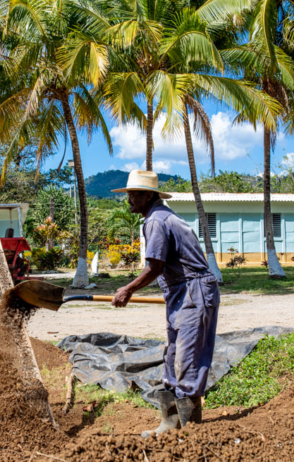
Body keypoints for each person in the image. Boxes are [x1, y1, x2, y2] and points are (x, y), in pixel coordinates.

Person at [110, 170, 220, 437]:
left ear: (149, 196)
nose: (130, 200)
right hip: (181, 291)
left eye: (135, 194)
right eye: (129, 194)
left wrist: (128, 289)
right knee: (172, 355)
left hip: (193, 290)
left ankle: (191, 431)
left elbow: (155, 266)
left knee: (188, 356)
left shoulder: (157, 220)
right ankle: (170, 425)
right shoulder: (158, 217)